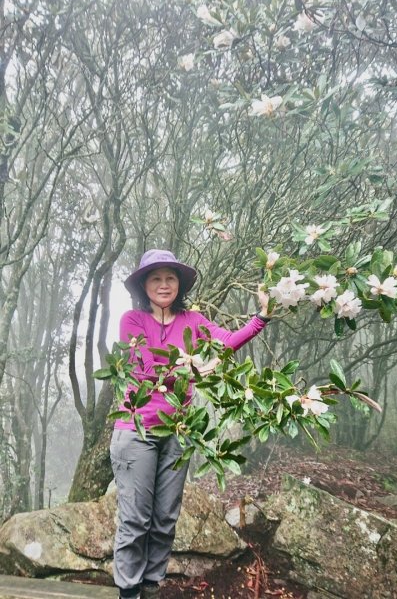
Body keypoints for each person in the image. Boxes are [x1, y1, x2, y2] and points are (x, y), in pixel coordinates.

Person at [110, 249, 271, 599]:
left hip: (177, 430)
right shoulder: (132, 320)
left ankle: (151, 586)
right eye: (156, 278)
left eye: (170, 278)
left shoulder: (193, 321)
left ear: (179, 284)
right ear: (144, 284)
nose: (164, 285)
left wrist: (261, 317)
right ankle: (128, 591)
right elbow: (148, 370)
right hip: (136, 431)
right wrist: (193, 367)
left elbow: (225, 343)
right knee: (136, 519)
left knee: (165, 517)